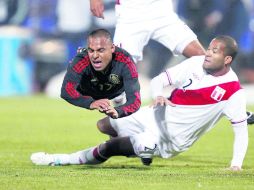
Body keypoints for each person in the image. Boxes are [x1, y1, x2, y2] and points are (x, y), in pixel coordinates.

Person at [31, 36, 248, 171]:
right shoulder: (195, 63)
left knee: (110, 147)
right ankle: (138, 149)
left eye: (215, 51)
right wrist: (158, 94)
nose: (208, 53)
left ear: (227, 60)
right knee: (103, 125)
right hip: (153, 115)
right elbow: (159, 80)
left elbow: (240, 133)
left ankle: (60, 159)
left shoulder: (233, 93)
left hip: (168, 139)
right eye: (209, 48)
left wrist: (236, 164)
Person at [89, 0, 254, 124]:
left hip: (163, 15)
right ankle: (119, 128)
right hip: (131, 16)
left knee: (203, 58)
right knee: (118, 80)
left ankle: (234, 106)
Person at [60, 28, 141, 119]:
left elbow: (135, 101)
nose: (95, 56)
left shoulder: (125, 60)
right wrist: (91, 102)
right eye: (91, 50)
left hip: (116, 91)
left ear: (112, 48)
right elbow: (66, 91)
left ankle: (119, 97)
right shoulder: (81, 60)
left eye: (101, 50)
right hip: (88, 92)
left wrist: (118, 111)